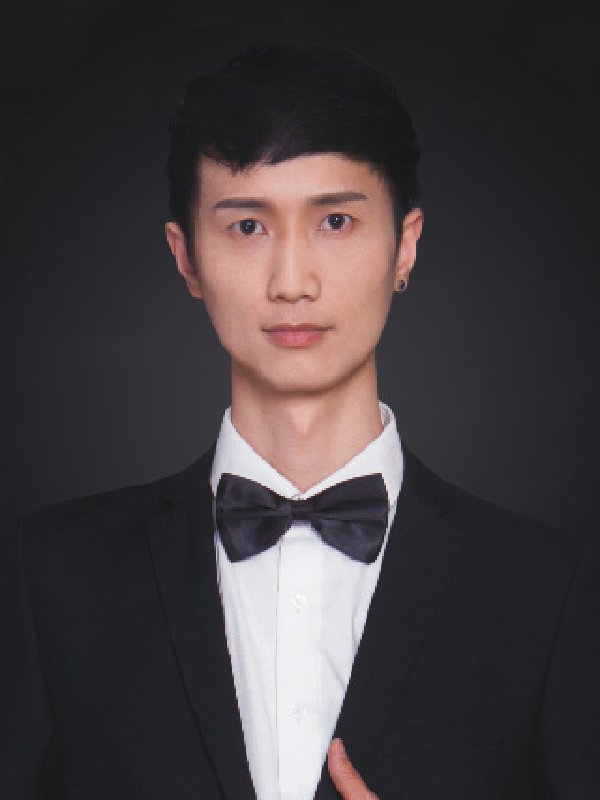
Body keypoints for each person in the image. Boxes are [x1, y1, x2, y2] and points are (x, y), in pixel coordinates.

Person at [1, 41, 599, 800]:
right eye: (248, 227)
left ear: (405, 245)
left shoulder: (550, 588)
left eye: (336, 221)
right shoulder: (50, 575)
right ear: (186, 258)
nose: (292, 282)